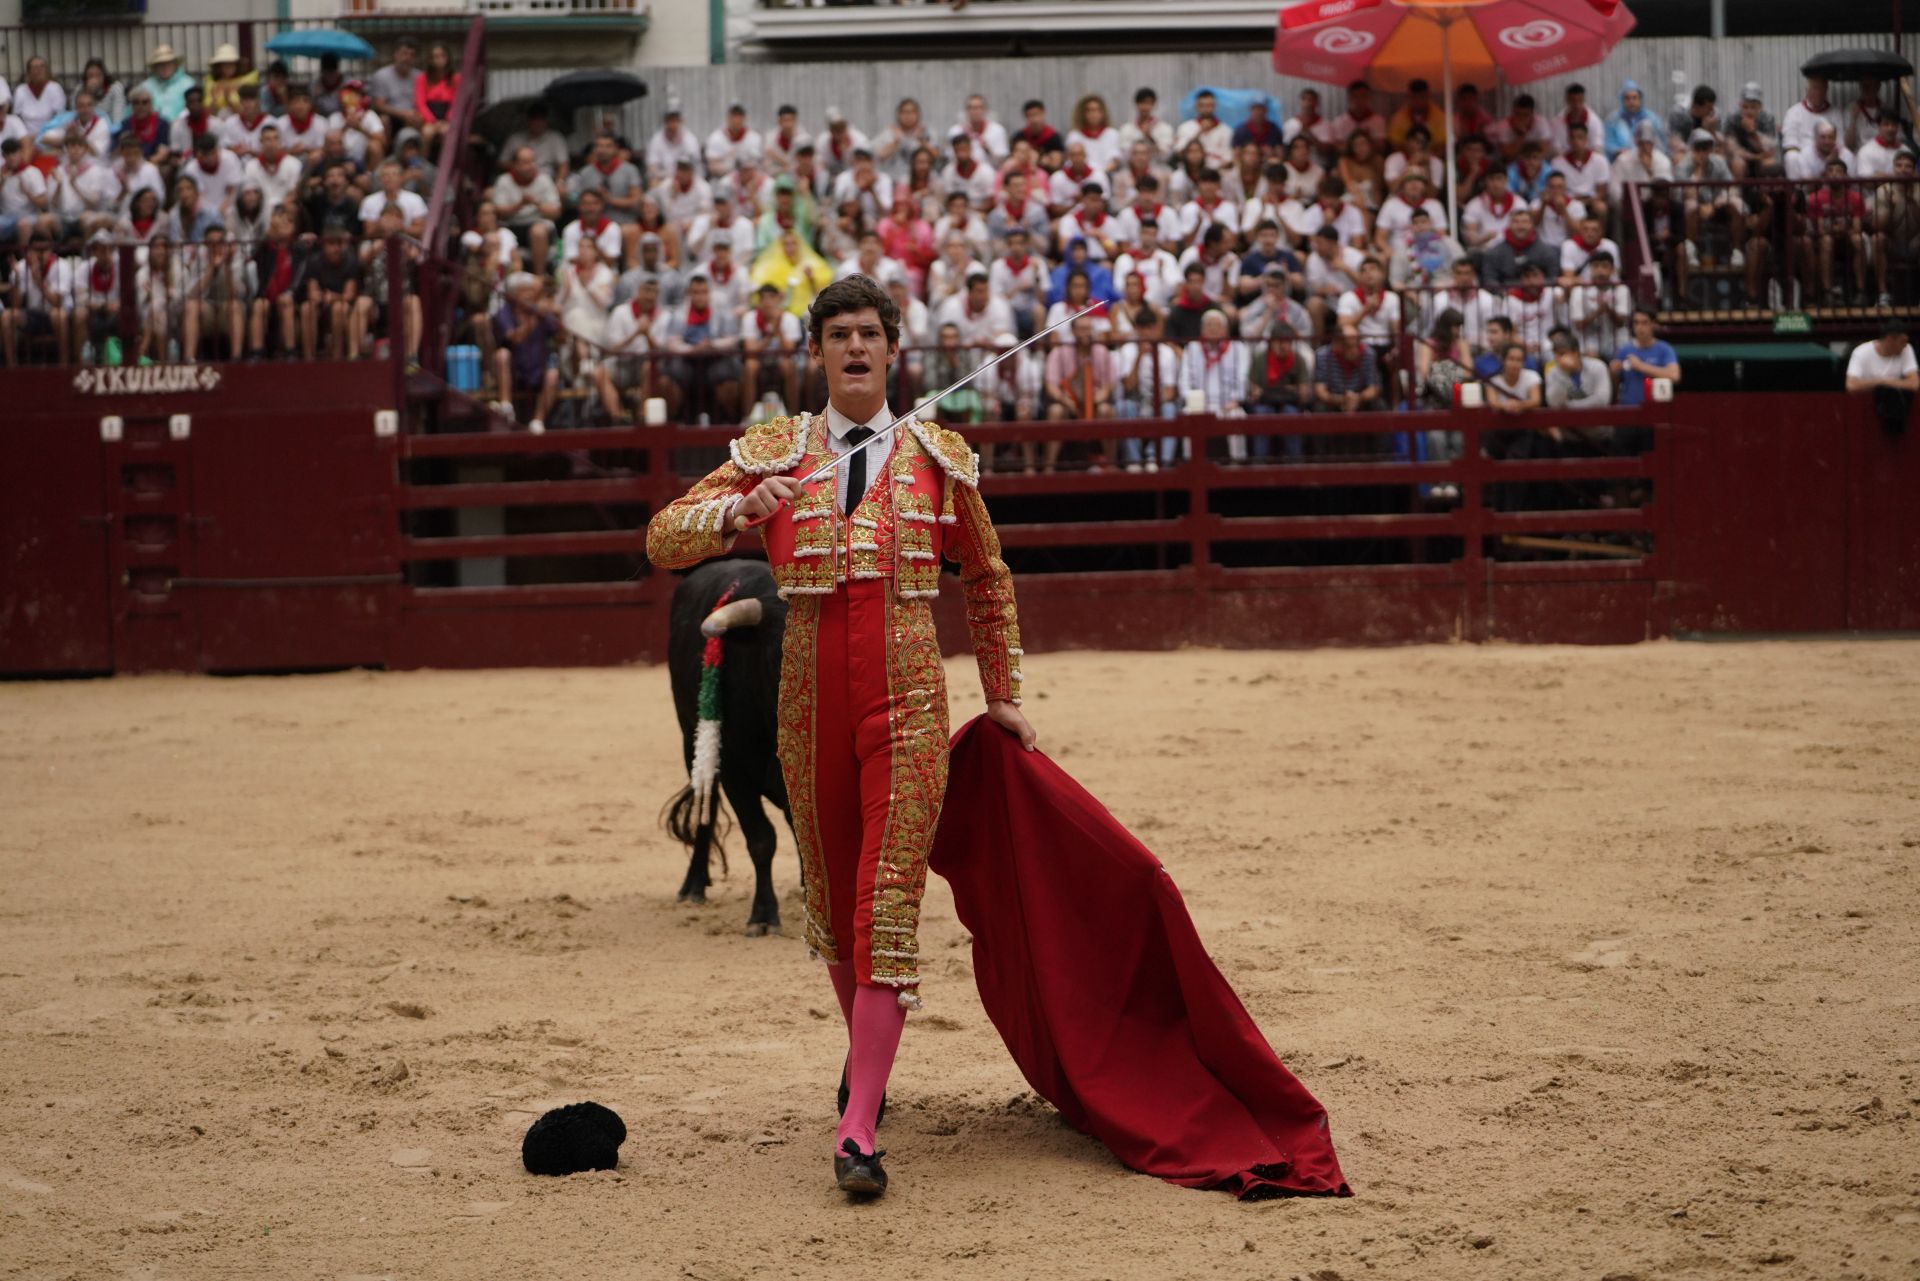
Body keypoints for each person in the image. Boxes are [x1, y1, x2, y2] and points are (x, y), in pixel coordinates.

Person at [646, 273, 1035, 1199]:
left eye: (870, 334)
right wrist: (734, 511)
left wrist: (1004, 691)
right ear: (817, 352)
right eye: (839, 335)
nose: (855, 348)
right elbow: (662, 537)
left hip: (906, 696)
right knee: (830, 901)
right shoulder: (775, 450)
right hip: (805, 696)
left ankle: (857, 1126)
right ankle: (870, 1071)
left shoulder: (938, 455)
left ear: (894, 351)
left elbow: (986, 576)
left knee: (886, 899)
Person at [491, 271, 561, 432]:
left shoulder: (540, 310)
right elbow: (515, 338)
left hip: (538, 368)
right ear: (513, 294)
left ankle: (538, 421)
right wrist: (535, 318)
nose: (529, 295)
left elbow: (560, 338)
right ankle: (506, 405)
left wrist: (559, 316)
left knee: (553, 374)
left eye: (531, 291)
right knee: (502, 355)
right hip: (514, 371)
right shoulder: (504, 313)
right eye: (524, 291)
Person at [1846, 322, 1916, 434]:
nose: (1905, 345)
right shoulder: (1861, 353)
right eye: (1902, 341)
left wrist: (1885, 382)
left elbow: (1914, 384)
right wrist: (1881, 382)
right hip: (1865, 415)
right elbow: (1851, 386)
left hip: (1900, 413)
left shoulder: (1906, 349)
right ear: (1890, 339)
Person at [1611, 308, 1678, 407]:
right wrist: (1613, 372)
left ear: (1653, 324)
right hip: (1629, 409)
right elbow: (1615, 383)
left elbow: (1674, 375)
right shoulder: (1624, 350)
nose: (1639, 327)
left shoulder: (1665, 349)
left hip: (1656, 409)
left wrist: (1640, 366)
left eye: (1644, 323)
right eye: (1636, 323)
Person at [413, 43, 459, 153]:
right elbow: (420, 103)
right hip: (430, 117)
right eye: (435, 57)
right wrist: (432, 121)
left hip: (447, 117)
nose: (439, 60)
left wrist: (448, 120)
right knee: (426, 133)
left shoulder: (455, 79)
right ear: (430, 60)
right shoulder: (422, 78)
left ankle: (447, 165)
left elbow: (456, 103)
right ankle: (422, 164)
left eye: (442, 56)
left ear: (448, 58)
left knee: (447, 133)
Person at [1603, 79, 1657, 159]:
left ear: (1640, 99)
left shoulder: (1651, 118)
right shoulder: (1613, 119)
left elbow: (1660, 143)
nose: (1631, 101)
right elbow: (1607, 142)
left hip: (1646, 161)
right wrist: (1617, 151)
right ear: (1622, 100)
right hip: (1620, 162)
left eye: (1634, 98)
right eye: (1627, 98)